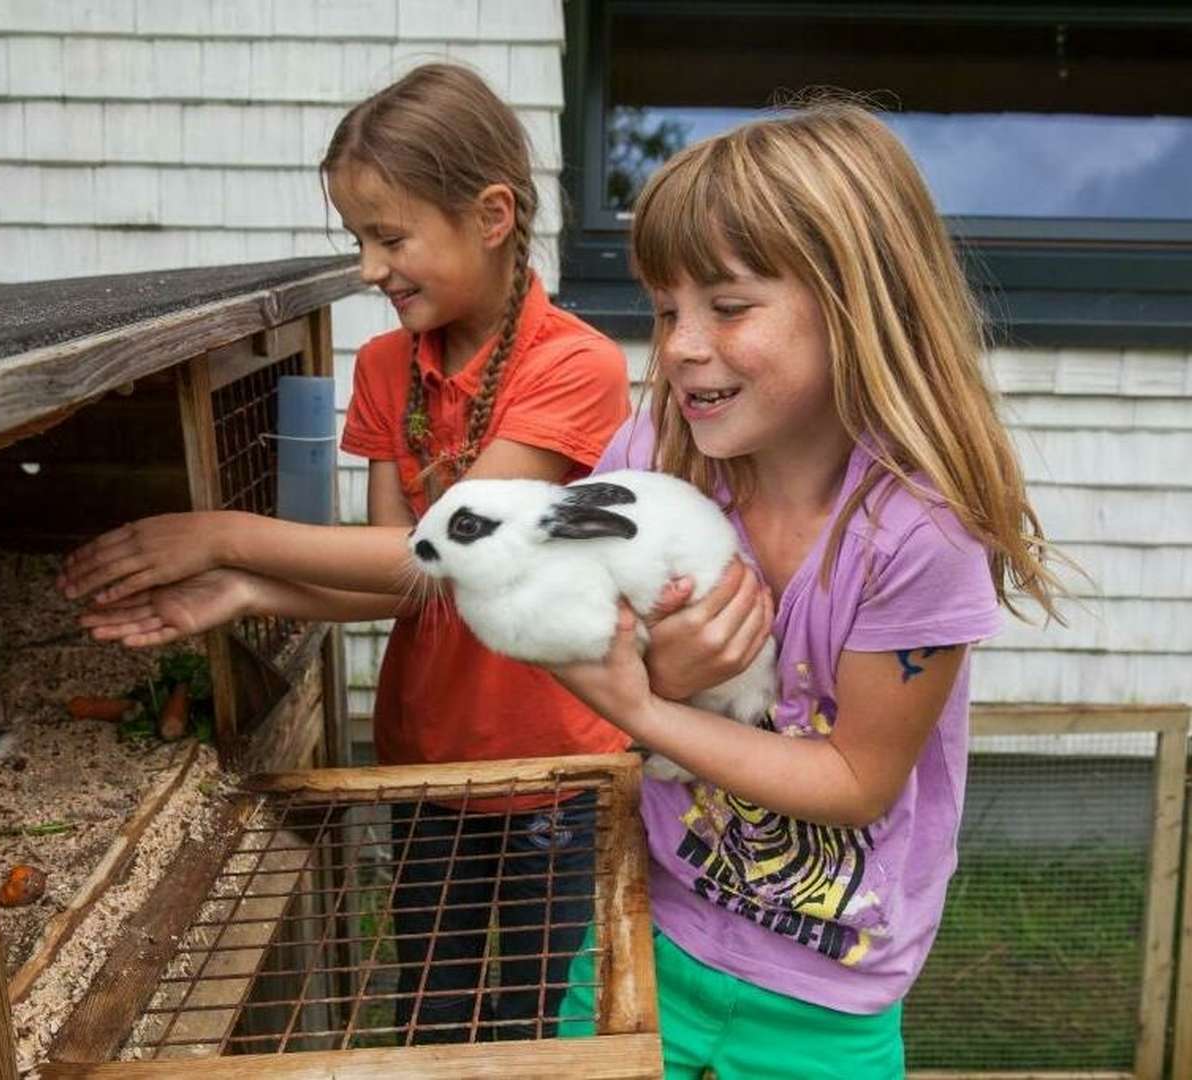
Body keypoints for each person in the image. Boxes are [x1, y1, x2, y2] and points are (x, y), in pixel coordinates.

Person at [57, 63, 631, 1043]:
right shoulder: (384, 366)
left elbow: (446, 554)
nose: (370, 268)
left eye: (390, 236)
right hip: (424, 758)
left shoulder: (573, 365)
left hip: (559, 768)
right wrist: (243, 588)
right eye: (359, 238)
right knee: (434, 1011)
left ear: (491, 215)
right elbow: (398, 579)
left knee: (541, 1021)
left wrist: (226, 534)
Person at [552, 101, 1066, 1079]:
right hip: (646, 933)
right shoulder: (655, 452)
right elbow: (557, 608)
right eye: (666, 310)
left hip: (827, 998)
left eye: (728, 307)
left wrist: (638, 705)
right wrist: (647, 671)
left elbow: (855, 780)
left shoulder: (921, 530)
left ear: (855, 305)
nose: (677, 347)